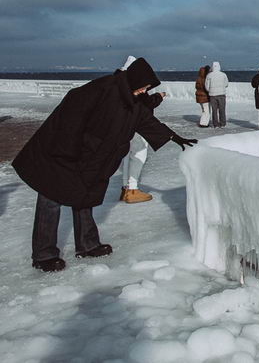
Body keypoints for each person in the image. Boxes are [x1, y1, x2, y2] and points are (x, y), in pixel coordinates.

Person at [12, 58, 197, 272]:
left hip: (89, 157)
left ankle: (88, 245)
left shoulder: (133, 99)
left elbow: (146, 121)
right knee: (50, 199)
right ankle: (44, 255)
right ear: (135, 79)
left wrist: (175, 137)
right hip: (60, 152)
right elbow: (71, 113)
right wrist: (67, 150)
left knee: (84, 195)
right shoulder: (102, 89)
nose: (144, 90)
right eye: (144, 86)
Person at [117, 55, 167, 204]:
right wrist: (159, 96)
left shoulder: (119, 83)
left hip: (125, 125)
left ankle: (126, 188)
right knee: (139, 154)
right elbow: (147, 104)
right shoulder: (135, 84)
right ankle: (132, 189)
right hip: (138, 126)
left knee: (127, 155)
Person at [205, 61, 228, 128]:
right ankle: (223, 124)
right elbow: (226, 84)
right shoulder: (223, 75)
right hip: (221, 94)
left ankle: (216, 124)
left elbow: (207, 86)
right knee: (222, 110)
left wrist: (210, 90)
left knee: (214, 110)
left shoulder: (209, 75)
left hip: (212, 95)